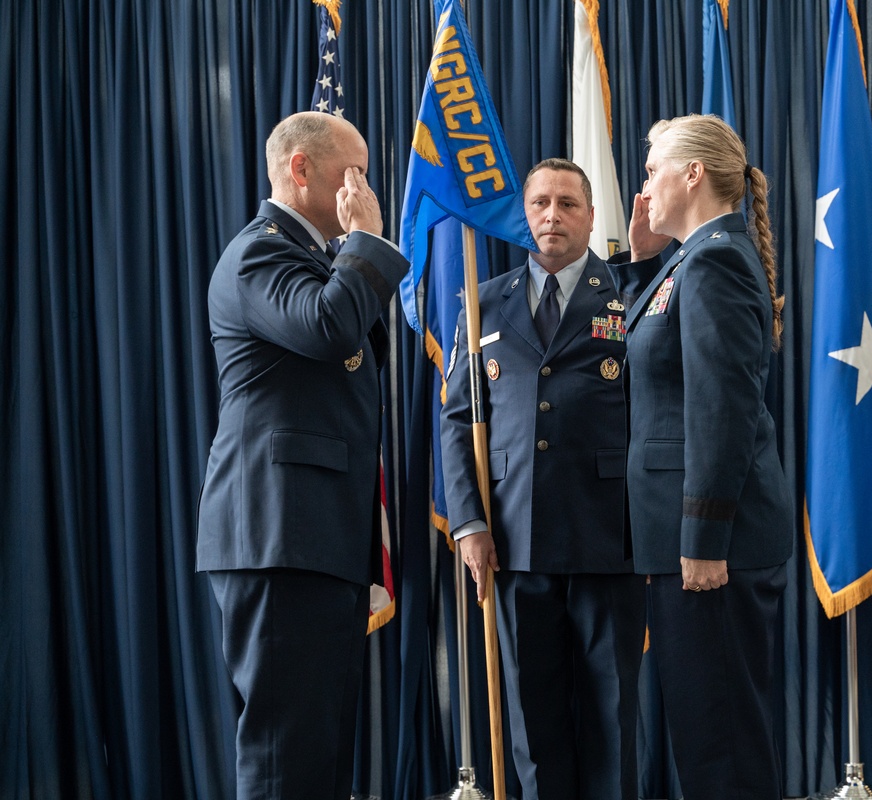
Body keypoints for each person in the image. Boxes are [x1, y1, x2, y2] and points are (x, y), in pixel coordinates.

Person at [196, 111, 409, 800]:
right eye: (356, 172)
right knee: (285, 752)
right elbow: (327, 327)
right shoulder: (260, 252)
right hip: (277, 534)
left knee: (319, 750)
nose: (366, 188)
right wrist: (368, 240)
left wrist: (354, 249)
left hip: (318, 535)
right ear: (301, 170)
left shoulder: (318, 256)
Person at [440, 158, 657, 800]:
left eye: (567, 203)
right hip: (513, 540)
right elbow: (457, 423)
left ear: (592, 217)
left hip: (608, 540)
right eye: (539, 203)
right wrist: (470, 523)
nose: (551, 215)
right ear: (523, 214)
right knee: (531, 726)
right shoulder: (482, 304)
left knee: (612, 719)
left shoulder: (630, 297)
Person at [622, 113, 794, 799]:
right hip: (685, 542)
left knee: (719, 744)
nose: (644, 188)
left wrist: (703, 537)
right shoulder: (688, 260)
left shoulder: (715, 260)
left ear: (693, 173)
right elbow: (651, 364)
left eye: (653, 168)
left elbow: (721, 412)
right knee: (705, 735)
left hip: (710, 547)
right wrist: (639, 265)